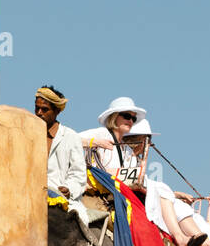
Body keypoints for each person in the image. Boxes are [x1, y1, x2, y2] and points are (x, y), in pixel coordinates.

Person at [34, 85, 87, 213]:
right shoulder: (28, 134)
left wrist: (69, 190)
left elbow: (78, 174)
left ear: (57, 111)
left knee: (78, 222)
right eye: (37, 108)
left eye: (44, 109)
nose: (39, 113)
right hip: (31, 196)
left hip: (61, 200)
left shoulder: (71, 137)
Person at [79, 95, 144, 185]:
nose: (131, 121)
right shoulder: (101, 133)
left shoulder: (127, 149)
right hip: (96, 188)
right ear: (114, 116)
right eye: (127, 116)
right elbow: (70, 140)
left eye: (134, 118)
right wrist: (95, 142)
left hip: (117, 191)